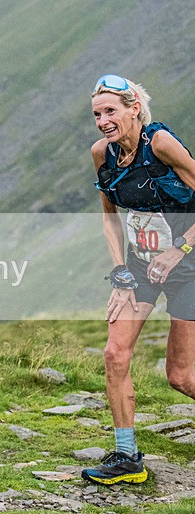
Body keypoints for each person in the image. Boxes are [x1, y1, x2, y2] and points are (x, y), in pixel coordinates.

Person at [82, 74, 195, 485]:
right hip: (140, 268)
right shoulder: (102, 154)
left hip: (188, 269)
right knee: (114, 354)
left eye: (110, 111)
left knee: (181, 378)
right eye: (97, 114)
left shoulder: (160, 144)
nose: (103, 121)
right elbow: (109, 216)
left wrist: (178, 248)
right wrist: (120, 271)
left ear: (134, 109)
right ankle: (128, 457)